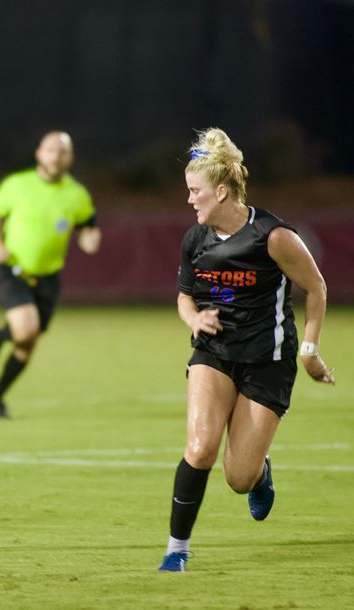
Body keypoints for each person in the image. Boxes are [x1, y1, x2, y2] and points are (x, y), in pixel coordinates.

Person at [158, 128, 335, 572]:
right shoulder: (195, 240)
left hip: (267, 361)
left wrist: (309, 351)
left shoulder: (272, 236)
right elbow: (184, 296)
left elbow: (316, 287)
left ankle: (259, 471)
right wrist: (195, 319)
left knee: (238, 478)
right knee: (199, 448)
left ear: (221, 191)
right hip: (214, 353)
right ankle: (176, 550)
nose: (189, 200)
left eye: (195, 192)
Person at [0, 131, 101, 418]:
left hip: (49, 277)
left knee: (28, 343)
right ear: (39, 153)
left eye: (62, 152)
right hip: (15, 270)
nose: (55, 156)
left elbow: (88, 226)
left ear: (70, 158)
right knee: (26, 330)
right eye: (50, 150)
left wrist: (89, 238)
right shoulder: (17, 184)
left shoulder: (77, 194)